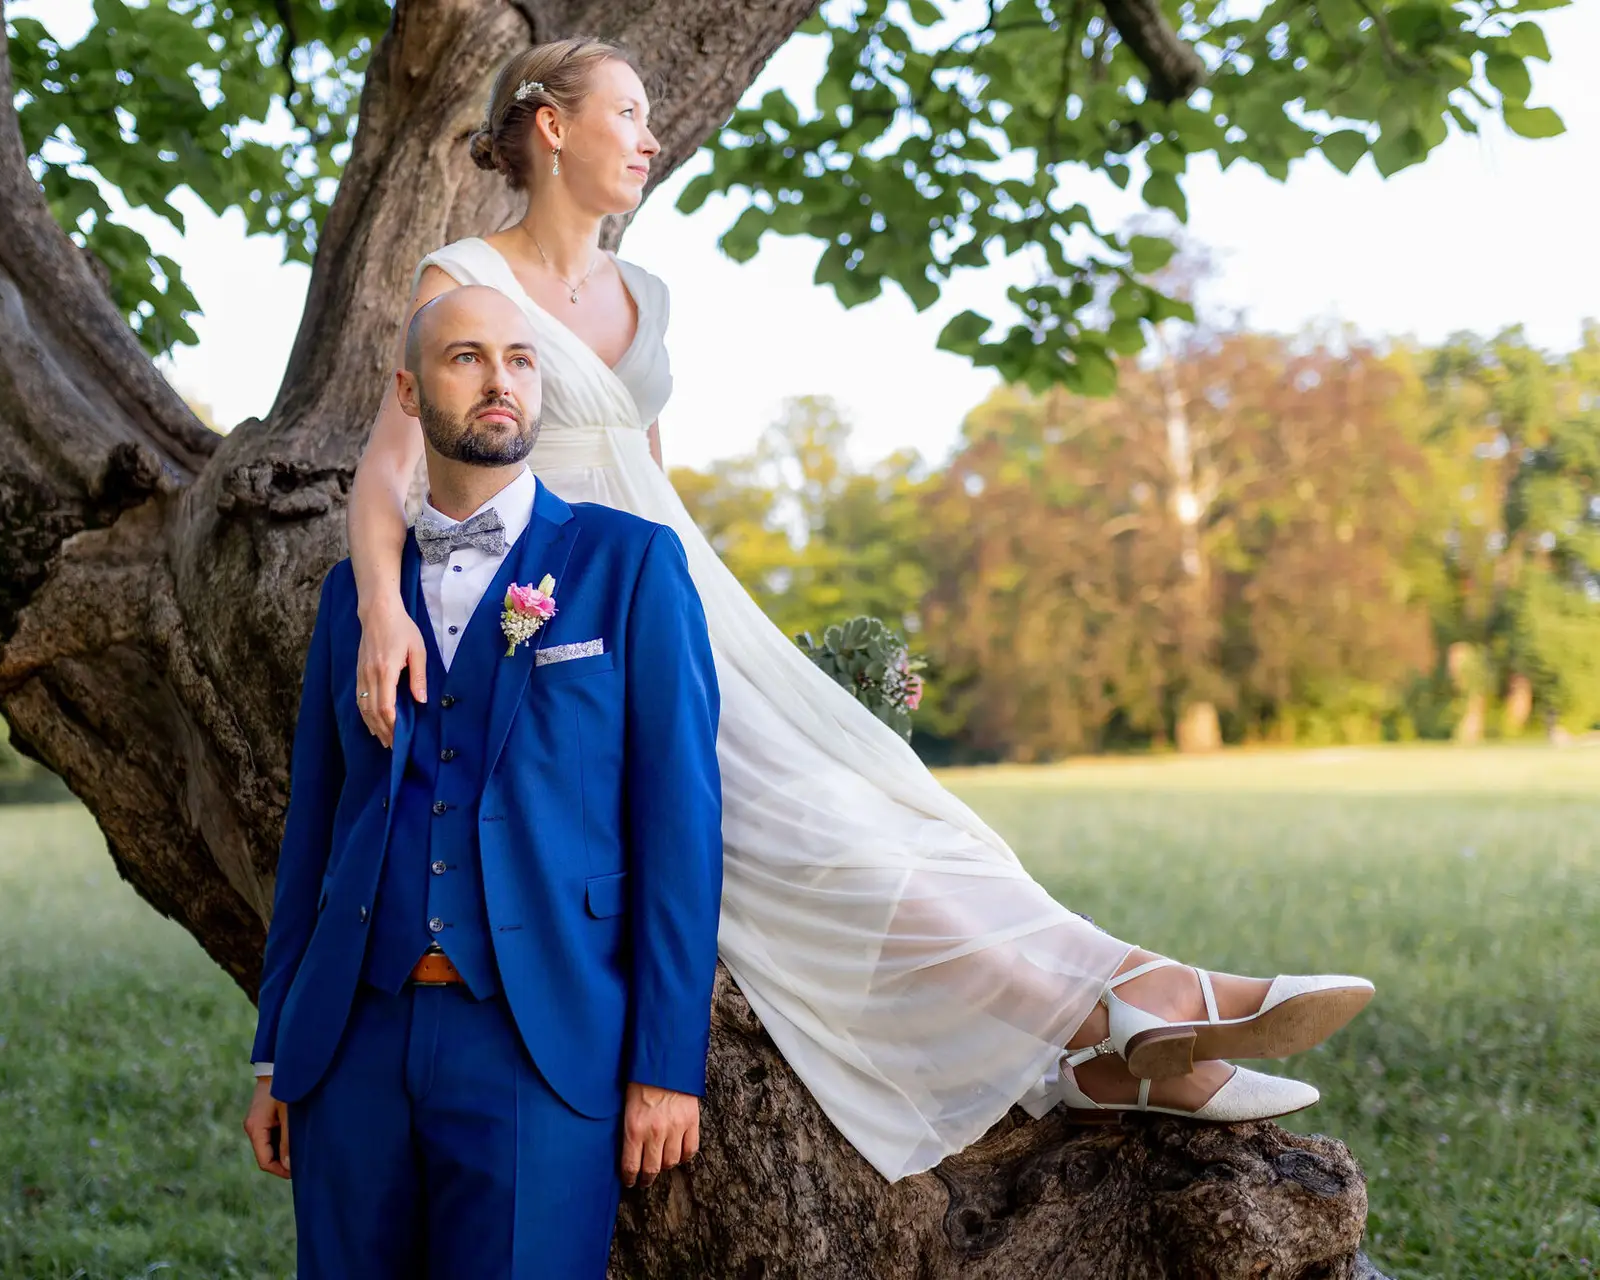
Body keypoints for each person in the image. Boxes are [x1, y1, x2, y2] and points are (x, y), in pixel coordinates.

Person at [338, 37, 1379, 1182]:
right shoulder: (463, 277)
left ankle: (1126, 1015)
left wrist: (734, 634)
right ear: (547, 124)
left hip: (671, 599)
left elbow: (649, 479)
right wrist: (385, 610)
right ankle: (1123, 1017)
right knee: (817, 833)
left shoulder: (646, 295)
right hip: (552, 624)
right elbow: (388, 474)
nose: (649, 136)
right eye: (627, 113)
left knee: (885, 800)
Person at [243, 284, 725, 1278]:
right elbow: (315, 825)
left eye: (519, 357)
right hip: (350, 1043)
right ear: (411, 393)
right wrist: (275, 1047)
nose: (499, 377)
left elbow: (681, 825)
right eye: (467, 357)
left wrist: (667, 1062)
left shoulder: (629, 565)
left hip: (538, 1039)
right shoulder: (354, 596)